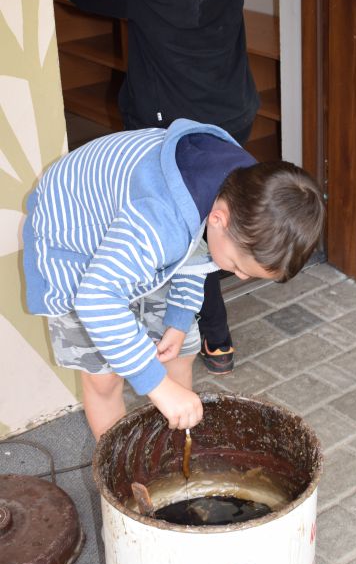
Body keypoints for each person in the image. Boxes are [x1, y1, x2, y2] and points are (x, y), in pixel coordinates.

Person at [65, 0, 259, 376]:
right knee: (216, 212)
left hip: (166, 132)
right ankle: (215, 339)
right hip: (231, 116)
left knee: (186, 223)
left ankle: (207, 332)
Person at [22, 120, 325, 441]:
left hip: (138, 229)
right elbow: (96, 299)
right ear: (219, 219)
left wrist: (179, 320)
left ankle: (173, 450)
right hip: (75, 239)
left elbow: (197, 249)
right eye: (239, 266)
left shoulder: (246, 190)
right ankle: (116, 464)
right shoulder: (162, 222)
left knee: (181, 349)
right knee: (104, 377)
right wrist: (158, 386)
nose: (240, 276)